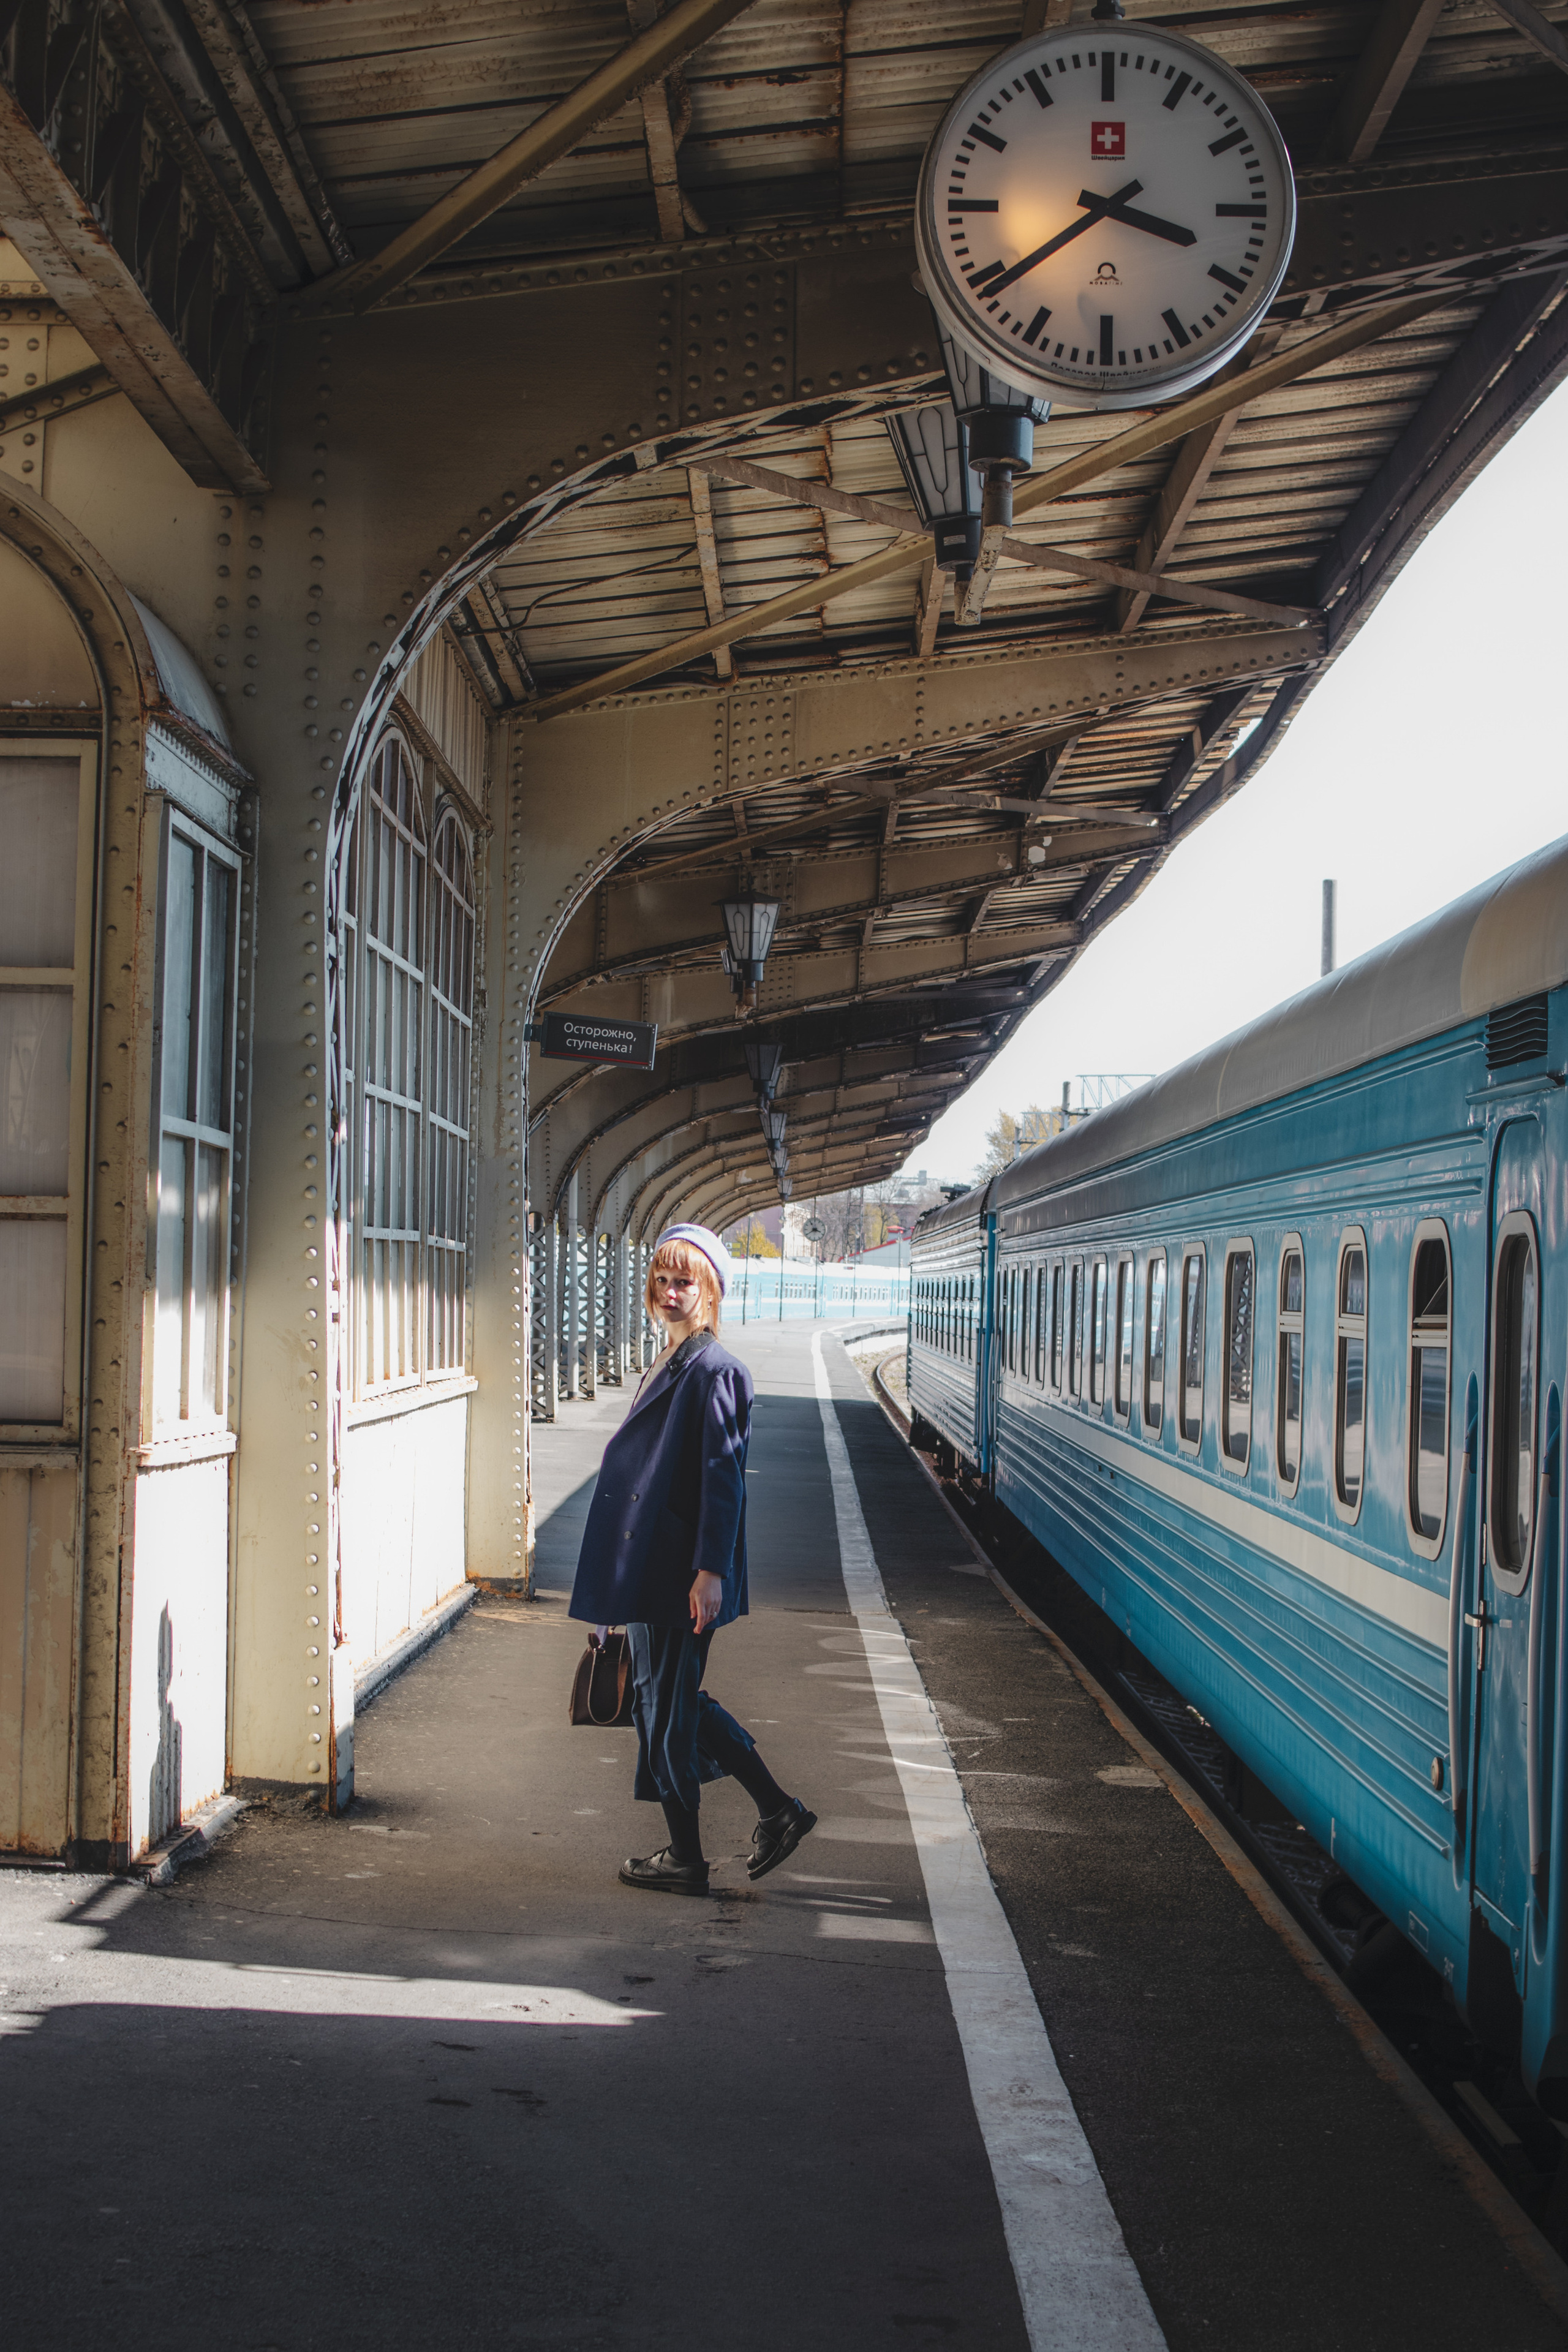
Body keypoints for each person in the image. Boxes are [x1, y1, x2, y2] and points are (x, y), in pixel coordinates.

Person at [570, 1222, 815, 1896]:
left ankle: (690, 1856)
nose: (670, 1292)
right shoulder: (670, 1359)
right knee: (663, 1704)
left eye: (685, 1281)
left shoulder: (717, 1370)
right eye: (661, 1280)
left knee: (668, 1710)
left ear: (710, 1292)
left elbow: (723, 1479)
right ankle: (777, 1812)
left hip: (681, 1571)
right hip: (650, 1567)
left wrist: (711, 1572)